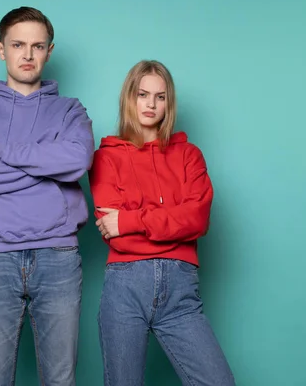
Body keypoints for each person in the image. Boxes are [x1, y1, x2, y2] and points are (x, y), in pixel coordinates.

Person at [0, 6, 95, 386]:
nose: (28, 55)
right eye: (18, 44)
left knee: (60, 380)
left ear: (49, 50)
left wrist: (3, 152)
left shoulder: (69, 111)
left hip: (58, 258)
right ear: (1, 49)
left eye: (37, 46)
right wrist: (46, 166)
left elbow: (77, 161)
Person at [89, 60, 235, 386]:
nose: (151, 104)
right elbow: (119, 240)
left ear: (170, 102)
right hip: (125, 292)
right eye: (143, 95)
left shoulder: (189, 155)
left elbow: (198, 219)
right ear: (130, 98)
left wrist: (130, 219)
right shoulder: (106, 157)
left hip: (181, 294)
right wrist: (174, 228)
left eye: (160, 96)